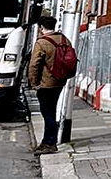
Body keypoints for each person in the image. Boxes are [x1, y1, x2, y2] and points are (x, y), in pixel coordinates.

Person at [28, 16, 71, 155]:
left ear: (41, 27)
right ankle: (46, 141)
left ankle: (50, 143)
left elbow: (34, 65)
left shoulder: (42, 42)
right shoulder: (64, 40)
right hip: (60, 82)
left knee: (48, 114)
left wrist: (34, 84)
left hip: (46, 84)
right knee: (50, 112)